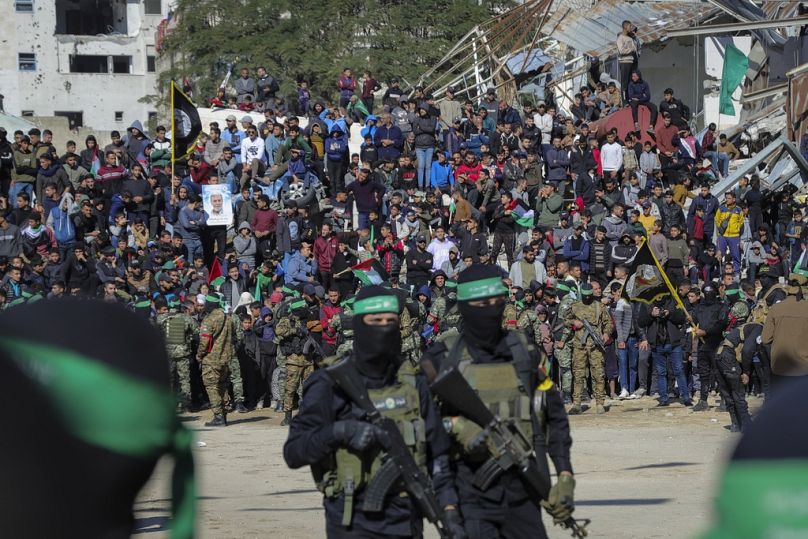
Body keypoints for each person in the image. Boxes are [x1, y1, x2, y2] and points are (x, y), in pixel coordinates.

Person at [284, 286, 465, 538]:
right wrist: (340, 431)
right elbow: (294, 452)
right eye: (375, 321)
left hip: (406, 519)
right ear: (359, 325)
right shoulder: (330, 383)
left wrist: (450, 509)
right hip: (351, 520)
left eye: (390, 321)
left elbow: (438, 456)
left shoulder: (412, 383)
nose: (384, 327)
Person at [421, 264, 575, 539]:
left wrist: (564, 472)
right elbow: (417, 426)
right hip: (470, 496)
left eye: (496, 301)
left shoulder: (523, 351)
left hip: (524, 492)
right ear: (465, 306)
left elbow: (554, 416)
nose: (490, 309)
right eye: (481, 303)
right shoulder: (441, 360)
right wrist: (454, 425)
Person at [566, 282, 614, 414]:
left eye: (589, 296)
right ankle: (576, 404)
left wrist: (606, 333)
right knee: (578, 374)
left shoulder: (599, 306)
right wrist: (573, 323)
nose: (587, 298)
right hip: (579, 346)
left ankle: (600, 403)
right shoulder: (575, 306)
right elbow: (565, 320)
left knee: (598, 374)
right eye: (585, 296)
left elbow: (608, 322)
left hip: (595, 346)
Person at [638, 294, 692, 407]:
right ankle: (663, 398)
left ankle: (686, 397)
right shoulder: (647, 303)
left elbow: (681, 318)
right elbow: (641, 322)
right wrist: (651, 314)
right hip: (657, 343)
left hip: (673, 342)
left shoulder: (672, 300)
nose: (659, 297)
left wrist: (670, 314)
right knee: (661, 372)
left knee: (679, 370)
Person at [196, 292, 234, 426]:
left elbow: (204, 341)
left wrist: (199, 355)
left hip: (211, 359)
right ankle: (224, 413)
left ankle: (218, 416)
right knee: (223, 386)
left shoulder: (209, 319)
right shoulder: (228, 318)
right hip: (226, 358)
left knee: (212, 386)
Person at [156, 296, 199, 411]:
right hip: (182, 353)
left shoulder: (161, 318)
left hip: (167, 354)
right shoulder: (186, 318)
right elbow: (197, 331)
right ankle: (186, 405)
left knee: (169, 380)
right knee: (184, 380)